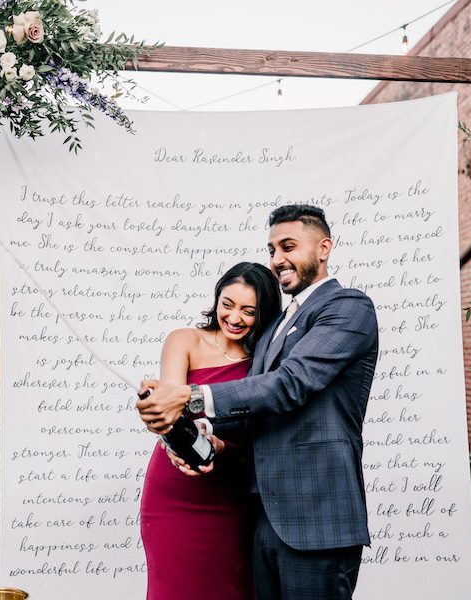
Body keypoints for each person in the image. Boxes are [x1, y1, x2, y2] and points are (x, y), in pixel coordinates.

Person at [138, 204, 379, 600]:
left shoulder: (349, 307)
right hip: (260, 517)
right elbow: (255, 416)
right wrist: (207, 437)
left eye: (288, 246)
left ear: (324, 247)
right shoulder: (273, 329)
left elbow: (290, 384)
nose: (277, 259)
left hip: (317, 519)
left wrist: (193, 396)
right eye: (271, 250)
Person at [140, 262, 281, 600]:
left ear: (263, 313)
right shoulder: (184, 339)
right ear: (217, 300)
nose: (234, 318)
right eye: (227, 305)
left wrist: (221, 447)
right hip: (175, 493)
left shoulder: (266, 360)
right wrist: (175, 443)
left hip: (232, 493)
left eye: (248, 311)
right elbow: (171, 410)